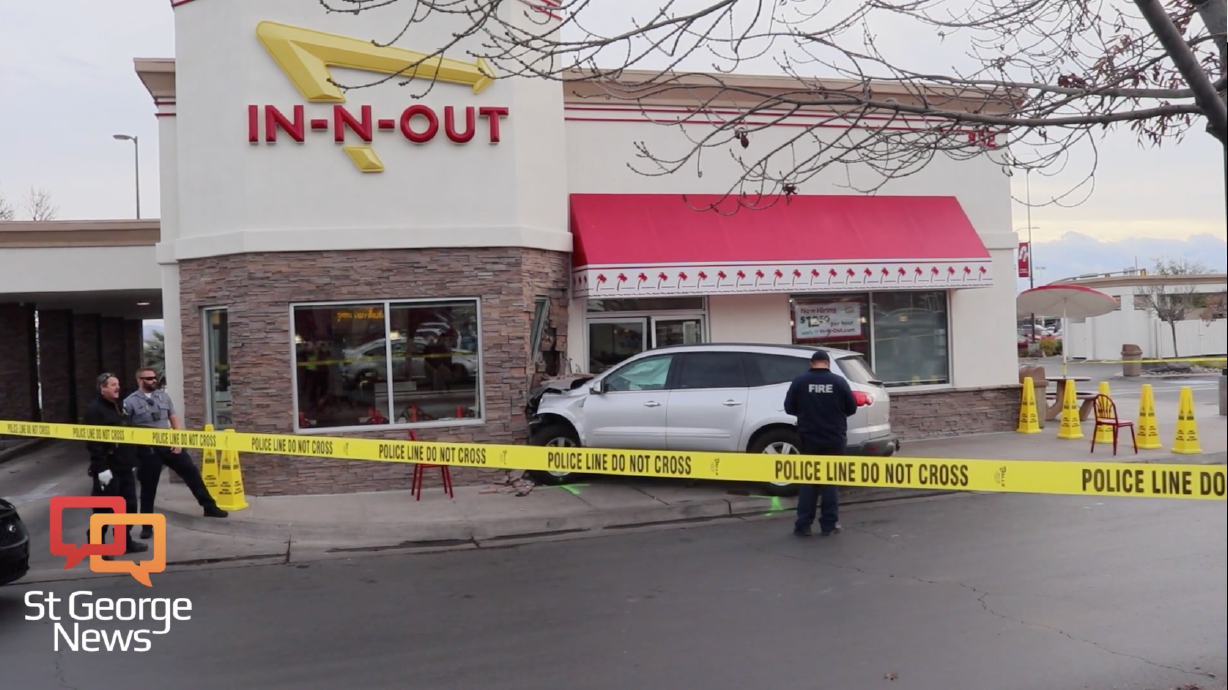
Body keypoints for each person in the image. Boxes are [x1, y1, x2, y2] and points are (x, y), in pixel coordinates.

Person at [124, 367, 227, 540]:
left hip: (169, 444)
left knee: (192, 473)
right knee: (148, 488)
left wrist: (178, 441)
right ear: (139, 381)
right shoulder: (130, 402)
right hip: (148, 449)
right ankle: (147, 526)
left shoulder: (163, 396)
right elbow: (126, 428)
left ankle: (209, 507)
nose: (153, 381)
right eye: (148, 378)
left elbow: (174, 418)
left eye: (154, 377)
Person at [784, 350, 859, 537]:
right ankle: (829, 525)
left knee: (809, 481)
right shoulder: (839, 382)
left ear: (811, 363)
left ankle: (803, 525)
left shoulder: (800, 381)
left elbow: (789, 408)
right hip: (834, 438)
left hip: (808, 437)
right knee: (830, 482)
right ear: (828, 364)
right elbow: (851, 408)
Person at [84, 373, 148, 556]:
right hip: (107, 469)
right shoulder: (95, 411)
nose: (117, 387)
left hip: (124, 466)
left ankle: (124, 542)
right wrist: (101, 467)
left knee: (128, 507)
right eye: (113, 385)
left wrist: (133, 458)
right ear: (102, 388)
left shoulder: (119, 407)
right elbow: (93, 442)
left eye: (118, 384)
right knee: (104, 510)